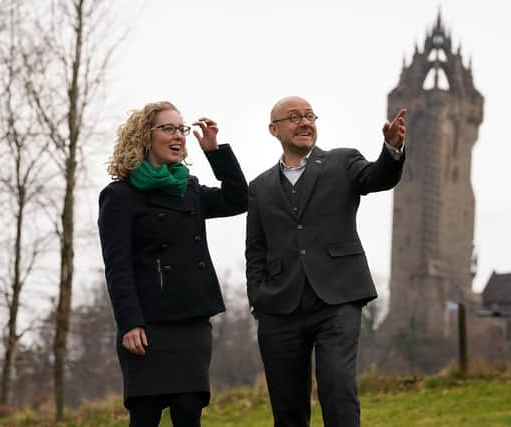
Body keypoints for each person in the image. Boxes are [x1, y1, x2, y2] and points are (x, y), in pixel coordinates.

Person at [245, 96, 406, 427]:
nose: (305, 122)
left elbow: (378, 177)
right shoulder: (259, 187)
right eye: (294, 117)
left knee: (337, 388)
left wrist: (391, 151)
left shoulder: (342, 162)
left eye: (309, 115)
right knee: (287, 407)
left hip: (338, 298)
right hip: (280, 307)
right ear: (274, 129)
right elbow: (255, 250)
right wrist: (258, 298)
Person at [98, 101, 247, 427]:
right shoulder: (120, 196)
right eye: (168, 128)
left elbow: (239, 199)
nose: (179, 135)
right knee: (145, 416)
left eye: (181, 128)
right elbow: (117, 266)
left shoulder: (188, 188)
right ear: (144, 137)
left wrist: (215, 151)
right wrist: (129, 323)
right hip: (147, 326)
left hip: (192, 323)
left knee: (189, 412)